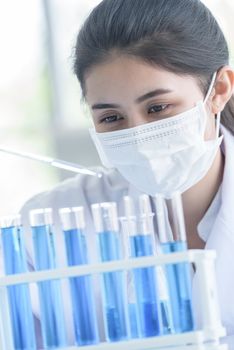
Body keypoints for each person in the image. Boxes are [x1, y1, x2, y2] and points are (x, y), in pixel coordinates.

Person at [20, 0, 234, 347]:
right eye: (111, 118)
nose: (138, 135)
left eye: (158, 108)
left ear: (219, 89)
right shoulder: (48, 229)